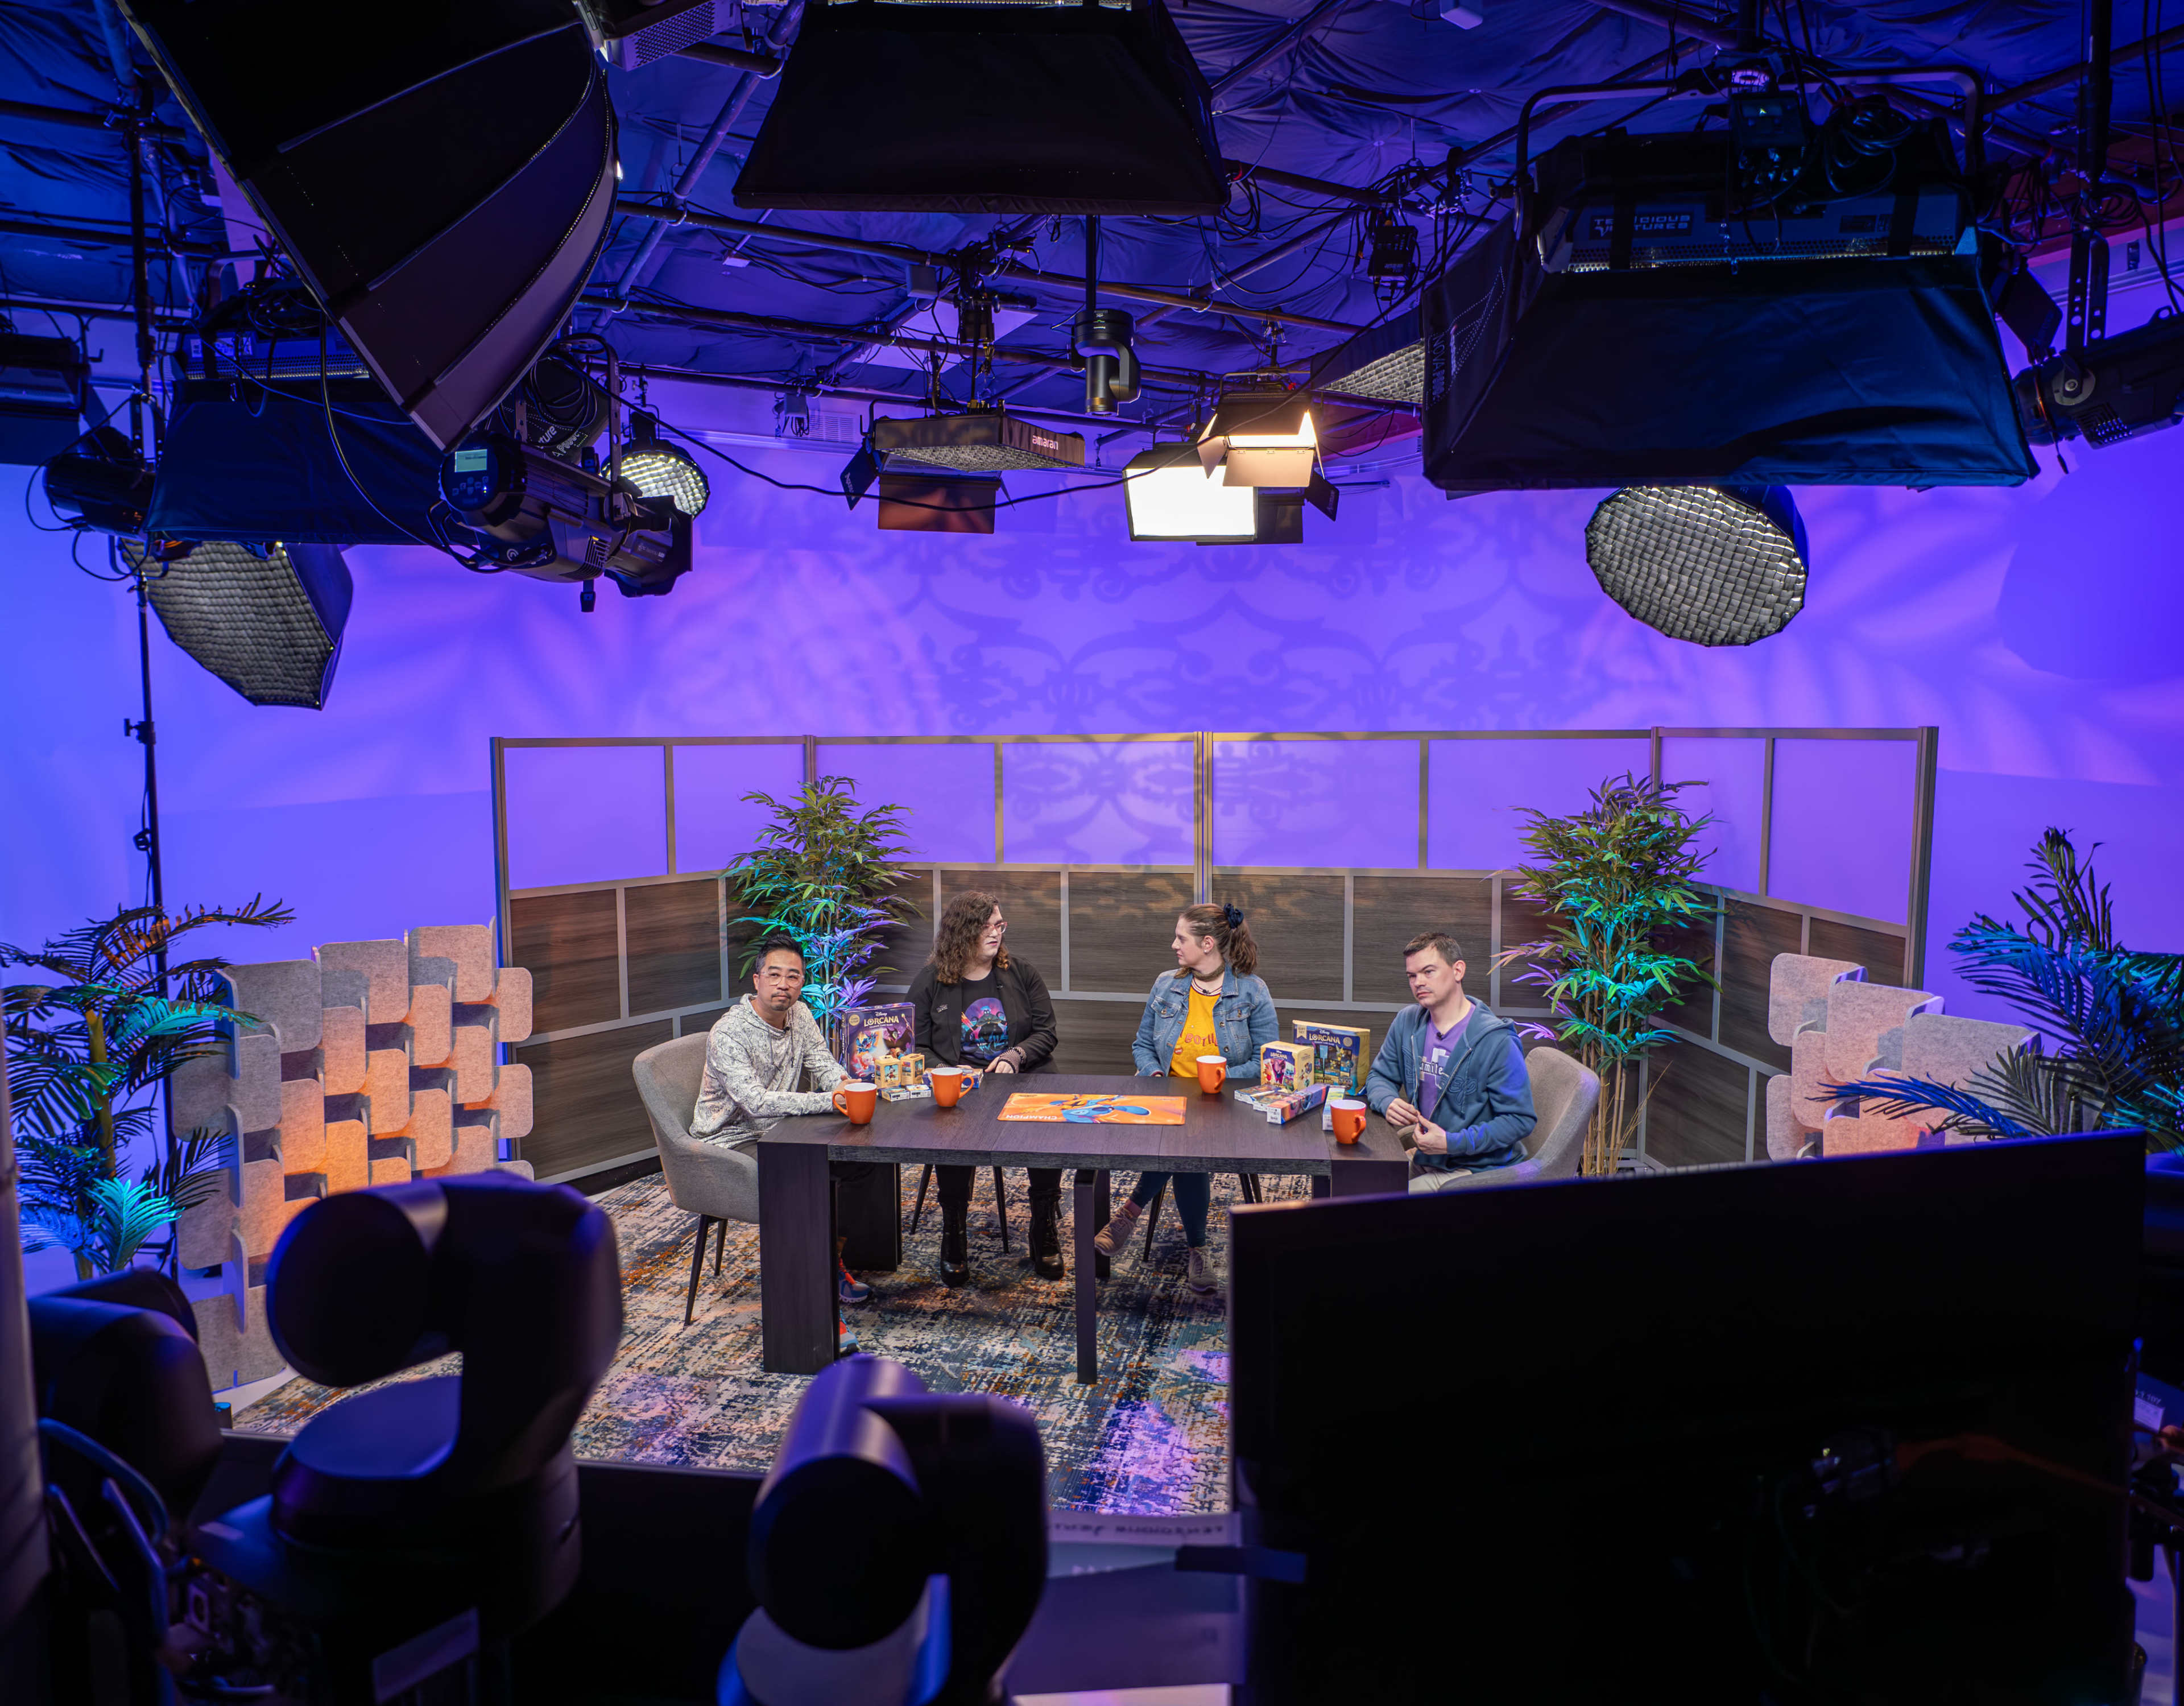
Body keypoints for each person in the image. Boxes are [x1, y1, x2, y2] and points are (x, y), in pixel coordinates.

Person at [690, 933, 884, 1346]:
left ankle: (830, 1260)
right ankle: (817, 1315)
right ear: (757, 980)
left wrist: (846, 1086)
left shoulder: (801, 1014)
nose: (784, 984)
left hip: (781, 1130)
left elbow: (824, 1066)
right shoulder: (729, 1033)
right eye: (774, 975)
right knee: (804, 1184)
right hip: (728, 1141)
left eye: (793, 976)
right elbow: (757, 1103)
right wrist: (829, 1100)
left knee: (865, 1158)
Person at [1093, 902, 1278, 1294]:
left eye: (1182, 937)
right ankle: (1197, 1248)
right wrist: (1154, 1073)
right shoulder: (1167, 985)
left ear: (1208, 943)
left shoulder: (1251, 990)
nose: (1174, 944)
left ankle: (1131, 1212)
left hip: (1224, 1104)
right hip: (1167, 1100)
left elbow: (1267, 1059)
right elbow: (1142, 1044)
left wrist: (1221, 1078)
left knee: (1187, 1139)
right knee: (1183, 1137)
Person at [907, 891, 1064, 1284]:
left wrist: (1015, 1055)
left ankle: (1043, 1224)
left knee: (1044, 1128)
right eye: (989, 926)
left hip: (1021, 1081)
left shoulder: (1021, 972)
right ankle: (954, 1232)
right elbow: (913, 1044)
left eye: (1000, 925)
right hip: (961, 1090)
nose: (997, 933)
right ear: (964, 932)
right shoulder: (931, 981)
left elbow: (1047, 1032)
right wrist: (946, 1071)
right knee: (952, 1128)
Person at [1363, 931, 1536, 1189]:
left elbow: (1519, 1120)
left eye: (1428, 972)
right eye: (1412, 975)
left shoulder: (1496, 1040)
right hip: (1428, 1157)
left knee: (1378, 1207)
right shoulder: (1407, 1022)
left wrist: (1451, 1143)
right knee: (1355, 1188)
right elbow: (1379, 1077)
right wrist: (1388, 1101)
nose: (1418, 982)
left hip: (1475, 1169)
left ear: (1458, 971)